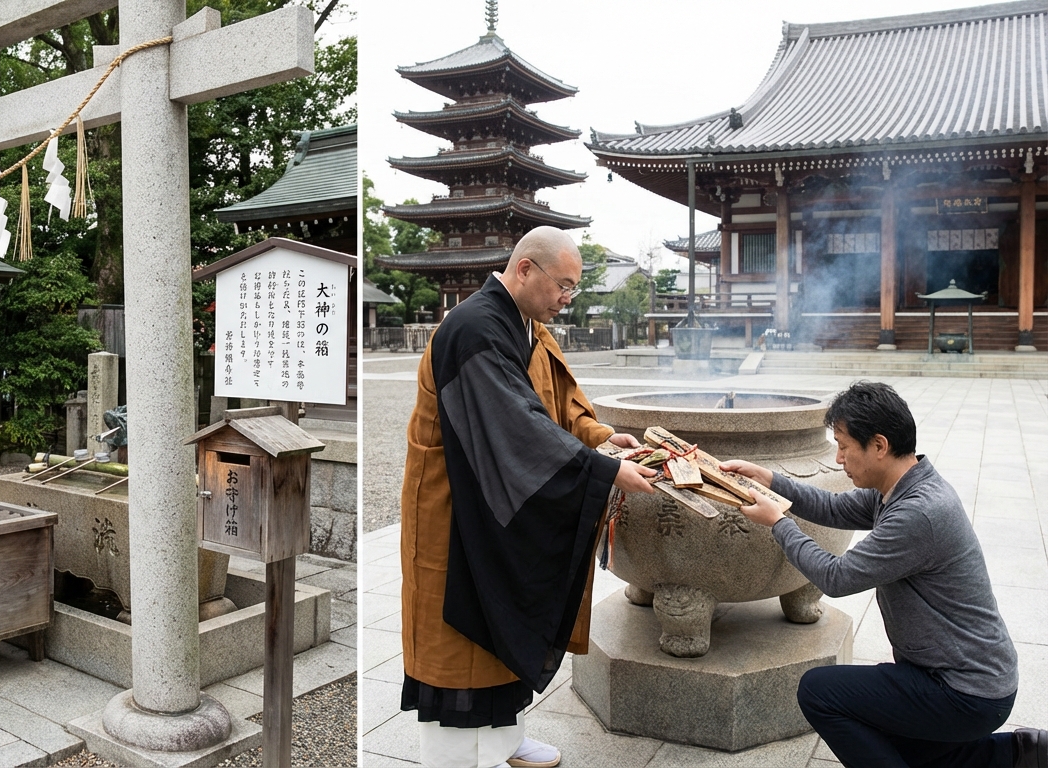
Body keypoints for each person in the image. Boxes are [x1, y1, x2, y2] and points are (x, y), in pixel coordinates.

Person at [398, 226, 657, 768]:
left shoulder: (531, 328)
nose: (568, 298)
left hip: (501, 503)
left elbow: (557, 408)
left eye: (573, 288)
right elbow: (517, 425)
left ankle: (505, 738)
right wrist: (601, 472)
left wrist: (601, 438)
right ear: (524, 270)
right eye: (563, 285)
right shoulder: (472, 328)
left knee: (509, 621)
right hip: (457, 513)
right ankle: (458, 758)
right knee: (462, 640)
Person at [726, 381, 1048, 767]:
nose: (840, 458)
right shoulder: (897, 487)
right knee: (905, 748)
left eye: (844, 446)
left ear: (878, 445)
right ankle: (1020, 754)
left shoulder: (919, 512)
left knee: (819, 692)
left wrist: (778, 523)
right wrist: (771, 480)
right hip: (966, 679)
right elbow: (832, 508)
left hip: (966, 690)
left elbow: (836, 577)